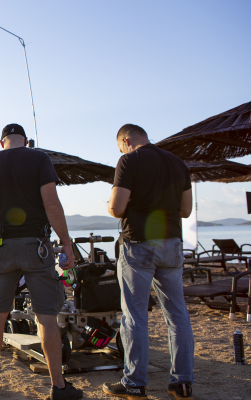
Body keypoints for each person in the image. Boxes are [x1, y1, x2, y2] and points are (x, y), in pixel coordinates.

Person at [0, 123, 81, 400]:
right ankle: (58, 386)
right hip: (37, 245)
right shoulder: (39, 158)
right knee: (45, 315)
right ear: (26, 140)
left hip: (1, 245)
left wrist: (0, 211)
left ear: (2, 142)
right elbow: (51, 204)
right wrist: (67, 243)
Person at [103, 124, 194, 400]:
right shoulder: (178, 164)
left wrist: (109, 205)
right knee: (177, 314)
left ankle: (135, 383)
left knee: (135, 316)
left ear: (126, 140)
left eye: (120, 146)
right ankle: (182, 383)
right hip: (171, 243)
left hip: (139, 242)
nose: (121, 150)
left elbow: (117, 208)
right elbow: (186, 210)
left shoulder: (129, 160)